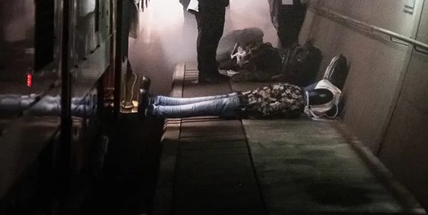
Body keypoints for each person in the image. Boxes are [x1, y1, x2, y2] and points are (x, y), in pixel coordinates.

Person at [143, 83, 336, 120]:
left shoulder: (294, 87)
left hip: (240, 95)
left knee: (195, 101)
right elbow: (269, 109)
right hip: (241, 107)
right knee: (195, 109)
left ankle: (157, 100)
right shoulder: (296, 107)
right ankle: (154, 110)